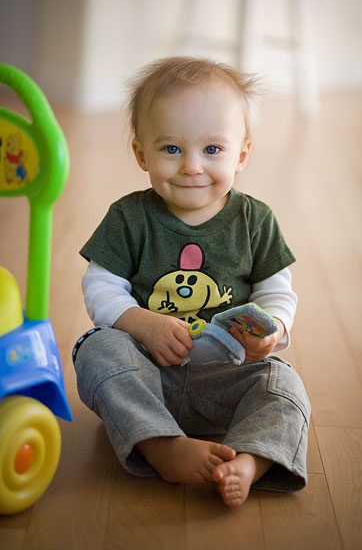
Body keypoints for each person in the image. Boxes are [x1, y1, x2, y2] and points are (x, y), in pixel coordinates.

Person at [73, 56, 311, 508]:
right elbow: (100, 287)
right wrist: (141, 323)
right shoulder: (129, 217)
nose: (192, 167)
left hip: (227, 376)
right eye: (171, 149)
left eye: (213, 150)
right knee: (96, 349)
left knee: (283, 384)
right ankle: (161, 446)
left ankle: (250, 460)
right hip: (146, 372)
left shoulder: (255, 221)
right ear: (141, 153)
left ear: (242, 154)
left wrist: (273, 331)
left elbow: (276, 290)